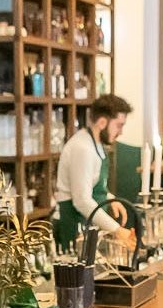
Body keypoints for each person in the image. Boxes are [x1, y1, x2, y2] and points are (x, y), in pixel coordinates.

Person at [53, 94, 136, 252]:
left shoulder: (94, 144)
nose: (121, 132)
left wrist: (110, 198)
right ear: (102, 122)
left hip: (86, 225)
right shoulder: (83, 148)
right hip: (73, 225)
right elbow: (82, 200)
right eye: (119, 125)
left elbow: (91, 184)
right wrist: (117, 230)